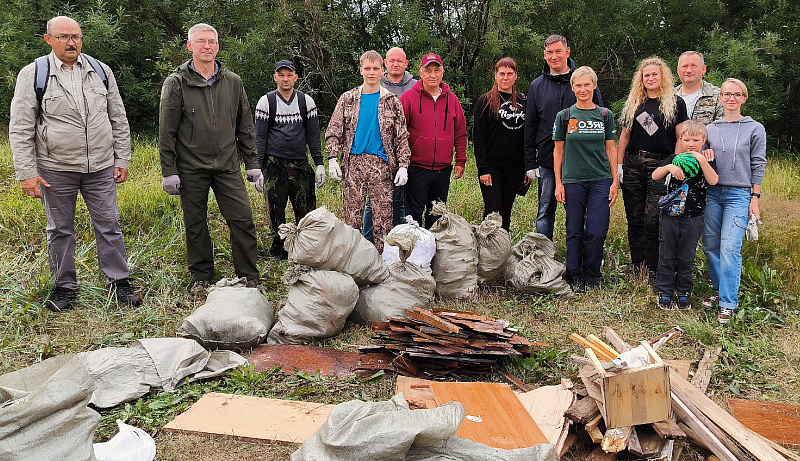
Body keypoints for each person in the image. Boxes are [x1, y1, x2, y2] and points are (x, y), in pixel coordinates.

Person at [9, 16, 142, 312]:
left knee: (110, 225)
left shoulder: (100, 70)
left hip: (101, 167)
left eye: (76, 37)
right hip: (55, 167)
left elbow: (118, 117)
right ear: (49, 39)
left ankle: (119, 283)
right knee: (59, 229)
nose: (72, 42)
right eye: (64, 37)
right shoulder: (34, 74)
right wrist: (27, 173)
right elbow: (20, 126)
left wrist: (122, 158)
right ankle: (64, 287)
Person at [159, 23, 261, 292]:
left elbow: (245, 126)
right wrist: (168, 170)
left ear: (218, 46)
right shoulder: (176, 83)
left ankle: (249, 276)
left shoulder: (233, 82)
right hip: (191, 168)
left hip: (227, 166)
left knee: (242, 220)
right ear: (190, 46)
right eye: (201, 41)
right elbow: (166, 131)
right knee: (195, 223)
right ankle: (202, 277)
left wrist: (252, 164)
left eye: (212, 42)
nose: (207, 46)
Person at [325, 50, 412, 253]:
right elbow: (334, 130)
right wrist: (332, 158)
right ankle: (351, 260)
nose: (371, 72)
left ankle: (383, 261)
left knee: (383, 218)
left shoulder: (392, 102)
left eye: (375, 68)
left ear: (382, 71)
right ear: (361, 70)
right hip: (354, 164)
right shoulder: (348, 99)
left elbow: (401, 137)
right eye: (367, 68)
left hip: (381, 166)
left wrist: (403, 166)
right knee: (351, 217)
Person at [524, 35, 603, 241]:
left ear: (567, 52)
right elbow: (530, 126)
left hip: (582, 162)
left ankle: (580, 258)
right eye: (549, 52)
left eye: (558, 51)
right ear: (544, 55)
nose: (554, 56)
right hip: (548, 160)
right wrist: (530, 162)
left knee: (581, 214)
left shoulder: (583, 82)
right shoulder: (536, 86)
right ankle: (544, 255)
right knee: (544, 212)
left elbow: (599, 120)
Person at [617, 56, 689, 282]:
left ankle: (656, 268)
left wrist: (675, 163)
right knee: (635, 219)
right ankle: (638, 267)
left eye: (654, 74)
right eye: (646, 75)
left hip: (662, 164)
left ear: (662, 77)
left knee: (653, 219)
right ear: (641, 78)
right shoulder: (634, 103)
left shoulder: (676, 103)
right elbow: (624, 136)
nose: (650, 78)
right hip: (633, 165)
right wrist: (618, 166)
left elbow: (680, 136)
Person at [702, 78, 766, 324]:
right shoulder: (711, 128)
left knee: (730, 247)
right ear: (720, 98)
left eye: (736, 95)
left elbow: (758, 163)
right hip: (713, 192)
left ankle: (728, 302)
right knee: (711, 245)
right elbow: (699, 151)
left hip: (739, 194)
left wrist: (755, 198)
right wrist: (705, 154)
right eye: (726, 94)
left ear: (744, 98)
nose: (731, 98)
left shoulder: (754, 128)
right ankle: (719, 291)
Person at [552, 66, 618, 292]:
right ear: (572, 88)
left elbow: (611, 149)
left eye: (586, 84)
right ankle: (575, 274)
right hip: (573, 180)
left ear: (594, 86)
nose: (582, 89)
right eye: (578, 85)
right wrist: (558, 182)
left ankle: (592, 274)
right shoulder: (565, 116)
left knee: (597, 230)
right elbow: (558, 151)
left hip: (600, 179)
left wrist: (615, 181)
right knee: (574, 229)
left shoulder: (604, 115)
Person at [254, 60, 325, 260]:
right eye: (281, 75)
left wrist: (319, 164)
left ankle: (305, 249)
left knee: (306, 210)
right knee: (276, 210)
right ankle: (279, 250)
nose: (285, 79)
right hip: (274, 164)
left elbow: (313, 136)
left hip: (300, 164)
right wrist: (258, 168)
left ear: (295, 77)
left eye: (289, 75)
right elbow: (260, 137)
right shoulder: (266, 102)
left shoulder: (306, 102)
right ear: (275, 77)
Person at [652, 120, 718, 310]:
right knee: (666, 254)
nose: (691, 144)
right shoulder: (673, 158)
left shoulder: (706, 160)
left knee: (686, 256)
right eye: (686, 139)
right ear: (680, 139)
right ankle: (664, 292)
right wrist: (668, 168)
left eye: (696, 140)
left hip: (694, 217)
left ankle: (683, 292)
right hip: (670, 216)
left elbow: (713, 180)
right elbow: (655, 175)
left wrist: (703, 160)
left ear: (703, 140)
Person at [399, 52, 468, 228]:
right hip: (416, 168)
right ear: (420, 73)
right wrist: (401, 165)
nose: (432, 75)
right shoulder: (408, 98)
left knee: (436, 216)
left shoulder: (452, 100)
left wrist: (460, 160)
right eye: (428, 70)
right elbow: (398, 133)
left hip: (442, 170)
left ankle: (433, 252)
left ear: (442, 72)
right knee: (412, 216)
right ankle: (413, 253)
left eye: (436, 70)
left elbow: (460, 132)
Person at [362, 47, 417, 242]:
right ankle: (368, 239)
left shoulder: (415, 87)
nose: (395, 64)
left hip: (405, 151)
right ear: (385, 63)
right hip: (376, 153)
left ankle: (399, 240)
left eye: (399, 61)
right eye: (391, 60)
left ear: (406, 64)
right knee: (373, 201)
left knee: (400, 199)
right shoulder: (374, 83)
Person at [473, 57, 527, 233]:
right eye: (501, 73)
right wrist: (483, 169)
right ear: (496, 75)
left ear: (515, 76)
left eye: (509, 74)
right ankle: (485, 251)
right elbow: (479, 138)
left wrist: (528, 167)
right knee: (493, 212)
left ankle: (501, 251)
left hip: (515, 167)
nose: (505, 77)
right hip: (492, 166)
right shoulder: (485, 101)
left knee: (506, 212)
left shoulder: (524, 101)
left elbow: (528, 135)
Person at [675, 51, 723, 125]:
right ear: (678, 70)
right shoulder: (668, 97)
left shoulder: (718, 96)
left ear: (703, 69)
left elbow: (723, 128)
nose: (688, 70)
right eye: (684, 66)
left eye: (693, 66)